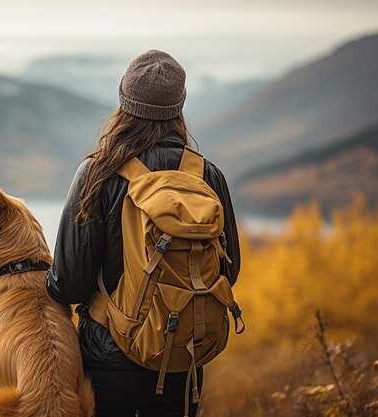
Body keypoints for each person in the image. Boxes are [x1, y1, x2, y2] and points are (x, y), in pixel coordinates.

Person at [45, 49, 241, 417]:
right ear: (179, 107)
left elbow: (68, 285)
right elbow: (229, 272)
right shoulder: (207, 176)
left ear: (123, 103)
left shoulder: (97, 174)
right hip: (185, 355)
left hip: (108, 358)